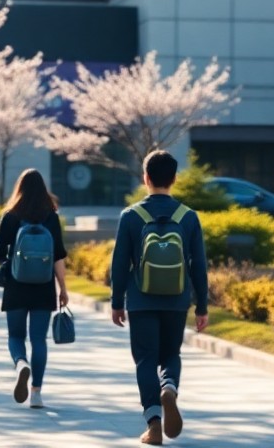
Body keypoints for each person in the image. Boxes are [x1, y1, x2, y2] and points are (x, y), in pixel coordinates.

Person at [110, 150, 209, 446]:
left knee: (145, 359)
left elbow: (119, 263)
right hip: (176, 300)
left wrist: (117, 301)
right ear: (175, 178)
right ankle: (170, 387)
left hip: (140, 300)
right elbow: (199, 266)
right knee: (170, 355)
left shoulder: (130, 216)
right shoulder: (188, 217)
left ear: (146, 178)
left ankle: (154, 424)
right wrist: (202, 305)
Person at [0, 168, 68, 410]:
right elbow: (58, 256)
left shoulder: (10, 215)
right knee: (39, 339)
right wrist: (63, 288)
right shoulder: (51, 216)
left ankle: (21, 363)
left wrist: (10, 262)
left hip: (16, 285)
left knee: (15, 336)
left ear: (19, 188)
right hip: (44, 286)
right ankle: (36, 393)